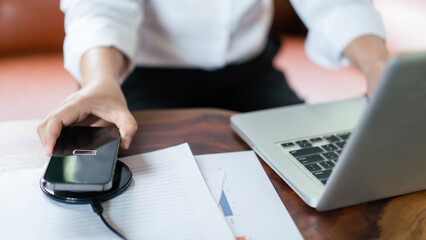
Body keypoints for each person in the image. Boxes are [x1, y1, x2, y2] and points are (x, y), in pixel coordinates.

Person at [38, 0, 389, 156]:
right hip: (139, 76)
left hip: (251, 72)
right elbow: (102, 7)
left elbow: (337, 4)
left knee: (320, 161)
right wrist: (100, 80)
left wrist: (380, 71)